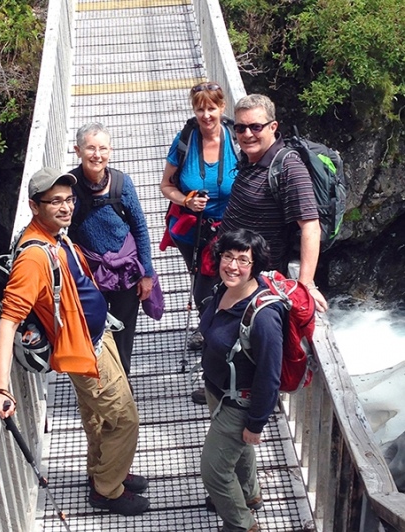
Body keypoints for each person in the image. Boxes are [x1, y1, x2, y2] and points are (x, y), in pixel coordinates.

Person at [0, 168, 150, 516]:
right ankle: (106, 490)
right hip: (83, 348)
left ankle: (104, 471)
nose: (66, 207)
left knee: (99, 417)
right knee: (124, 419)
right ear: (34, 206)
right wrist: (0, 387)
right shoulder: (33, 257)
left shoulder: (56, 235)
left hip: (97, 338)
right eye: (54, 201)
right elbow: (9, 320)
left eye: (69, 200)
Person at [199, 229, 285, 532]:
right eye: (227, 256)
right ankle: (249, 495)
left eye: (242, 260)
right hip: (218, 389)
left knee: (214, 471)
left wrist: (256, 423)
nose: (232, 266)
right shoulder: (223, 289)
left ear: (255, 265)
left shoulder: (263, 317)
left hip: (239, 400)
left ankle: (241, 524)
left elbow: (269, 374)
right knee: (239, 449)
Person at [219, 93, 328, 313]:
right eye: (240, 128)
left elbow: (310, 227)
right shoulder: (250, 157)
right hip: (233, 269)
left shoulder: (288, 168)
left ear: (273, 127)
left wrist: (305, 285)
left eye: (256, 127)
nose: (247, 134)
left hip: (258, 283)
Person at [69, 122, 154, 377]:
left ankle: (121, 384)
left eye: (103, 148)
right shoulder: (69, 186)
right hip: (88, 272)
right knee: (90, 328)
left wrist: (146, 273)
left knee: (123, 331)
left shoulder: (121, 182)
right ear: (78, 150)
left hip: (124, 270)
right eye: (90, 148)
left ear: (111, 151)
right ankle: (95, 384)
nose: (97, 155)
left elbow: (139, 227)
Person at [160, 82, 238, 325]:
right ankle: (208, 331)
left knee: (232, 278)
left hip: (230, 227)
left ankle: (227, 328)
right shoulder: (184, 140)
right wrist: (186, 200)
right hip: (194, 230)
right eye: (200, 110)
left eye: (212, 108)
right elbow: (165, 186)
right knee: (203, 283)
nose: (206, 116)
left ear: (222, 107)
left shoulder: (237, 140)